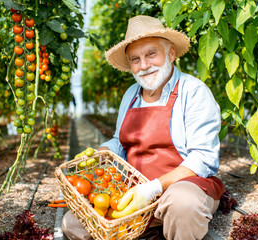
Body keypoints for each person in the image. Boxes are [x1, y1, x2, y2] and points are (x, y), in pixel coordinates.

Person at [62, 15, 225, 240]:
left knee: (183, 206)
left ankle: (167, 226)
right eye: (135, 59)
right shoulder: (131, 95)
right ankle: (152, 229)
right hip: (135, 191)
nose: (144, 66)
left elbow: (203, 158)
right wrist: (102, 152)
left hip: (181, 187)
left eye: (151, 54)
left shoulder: (193, 91)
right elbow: (121, 141)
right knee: (74, 223)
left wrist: (153, 189)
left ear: (170, 53)